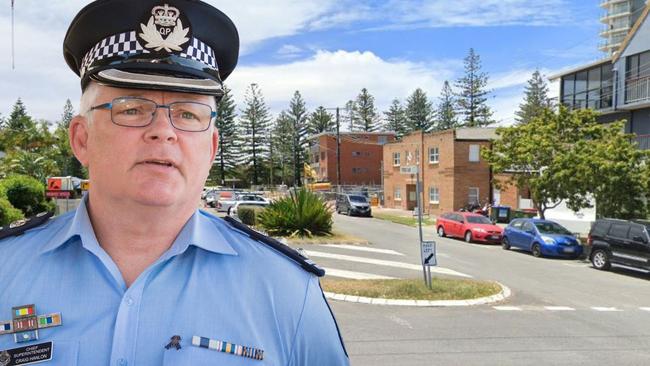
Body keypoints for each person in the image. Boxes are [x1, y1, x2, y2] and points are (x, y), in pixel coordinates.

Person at [0, 1, 349, 365]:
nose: (163, 132)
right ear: (81, 139)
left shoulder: (286, 292)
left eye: (187, 113)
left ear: (212, 147)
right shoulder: (5, 271)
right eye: (131, 109)